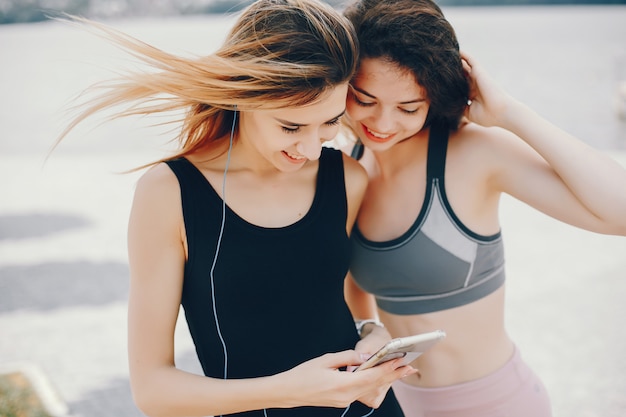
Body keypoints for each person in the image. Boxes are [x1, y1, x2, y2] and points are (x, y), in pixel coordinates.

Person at [55, 0, 418, 416]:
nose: (313, 148)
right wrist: (293, 390)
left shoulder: (349, 178)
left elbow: (350, 305)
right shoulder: (170, 193)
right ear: (244, 96)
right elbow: (152, 390)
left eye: (331, 122)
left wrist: (373, 333)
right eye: (290, 126)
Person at [339, 0, 626, 416]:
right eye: (364, 100)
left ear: (433, 98)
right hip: (402, 405)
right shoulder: (353, 162)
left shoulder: (472, 152)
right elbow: (354, 281)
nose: (382, 123)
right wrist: (368, 330)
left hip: (495, 404)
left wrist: (510, 113)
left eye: (408, 108)